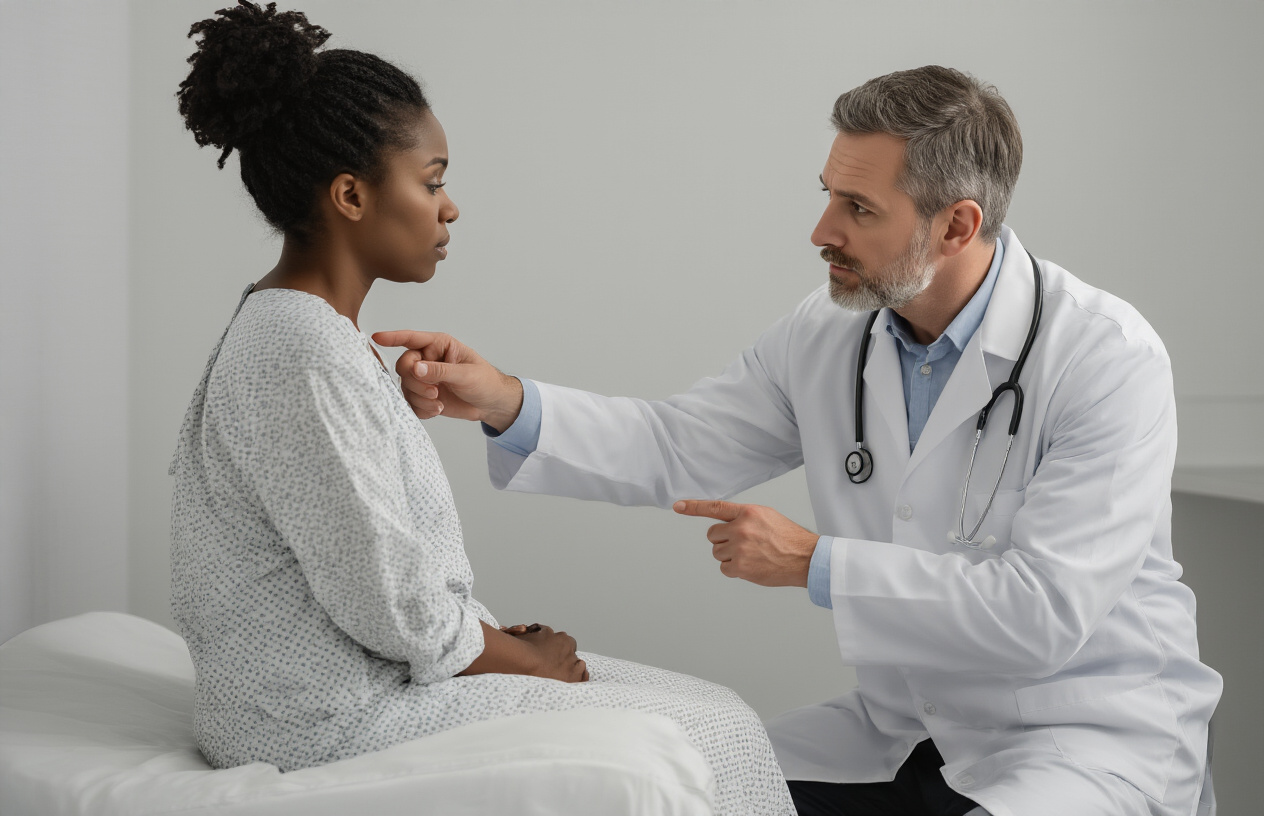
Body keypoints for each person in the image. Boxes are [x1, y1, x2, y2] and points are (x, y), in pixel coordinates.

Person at [380, 66, 1222, 816]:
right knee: (678, 791)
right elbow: (679, 442)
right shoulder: (831, 333)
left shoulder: (1105, 358)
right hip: (901, 734)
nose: (822, 230)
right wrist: (505, 403)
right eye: (826, 194)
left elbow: (1043, 614)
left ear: (958, 226)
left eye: (858, 208)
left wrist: (817, 564)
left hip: (1081, 739)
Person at [167, 3, 796, 812]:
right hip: (315, 721)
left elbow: (363, 558)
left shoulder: (303, 333)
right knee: (709, 732)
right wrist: (517, 658)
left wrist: (492, 639)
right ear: (351, 195)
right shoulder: (303, 351)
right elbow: (391, 603)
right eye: (431, 183)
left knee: (715, 714)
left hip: (350, 685)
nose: (450, 207)